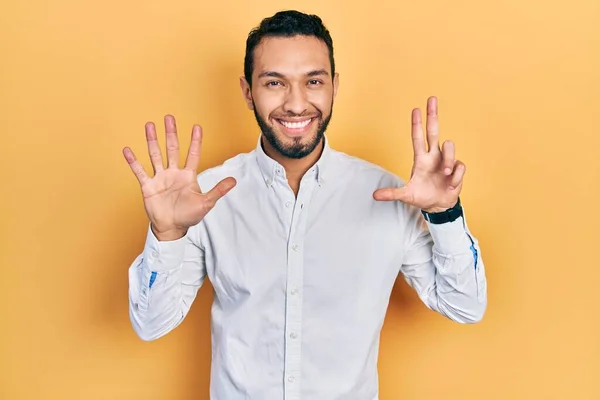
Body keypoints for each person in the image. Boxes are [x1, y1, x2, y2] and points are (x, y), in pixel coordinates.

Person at [123, 9, 487, 400]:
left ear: (333, 86)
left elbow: (464, 305)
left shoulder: (388, 195)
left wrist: (444, 215)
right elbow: (150, 324)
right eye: (274, 82)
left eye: (313, 81)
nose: (296, 104)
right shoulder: (206, 199)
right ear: (248, 91)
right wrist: (167, 234)